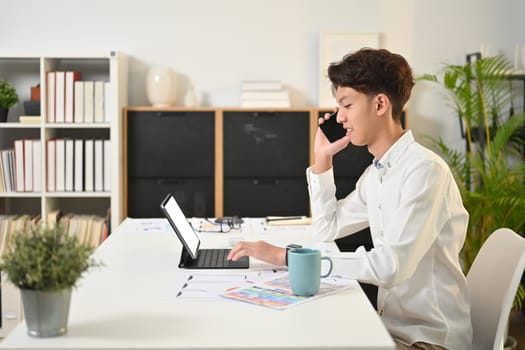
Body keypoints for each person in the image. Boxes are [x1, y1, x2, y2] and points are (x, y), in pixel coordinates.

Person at [227, 48, 472, 350]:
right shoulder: (378, 172)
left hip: (428, 339)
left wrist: (289, 258)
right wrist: (322, 160)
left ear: (380, 103)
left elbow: (390, 267)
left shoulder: (424, 171)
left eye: (347, 104)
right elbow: (327, 229)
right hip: (389, 329)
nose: (339, 117)